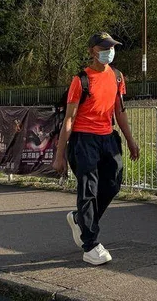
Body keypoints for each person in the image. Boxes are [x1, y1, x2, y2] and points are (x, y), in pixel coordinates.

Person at [53, 32, 140, 266]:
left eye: (112, 47)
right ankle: (89, 244)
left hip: (107, 137)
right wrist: (60, 155)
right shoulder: (81, 80)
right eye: (104, 47)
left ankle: (82, 220)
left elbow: (119, 111)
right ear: (93, 51)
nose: (109, 51)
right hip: (84, 139)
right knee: (88, 189)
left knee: (112, 184)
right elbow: (69, 119)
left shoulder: (118, 77)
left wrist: (130, 140)